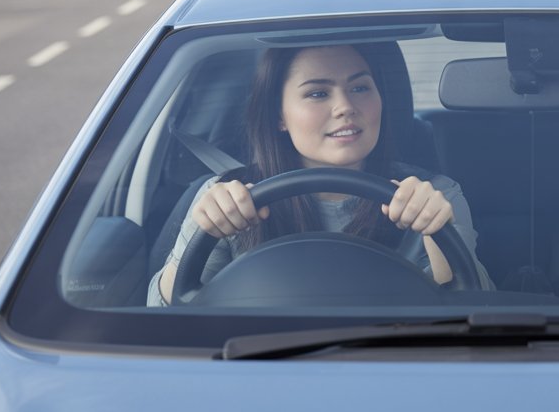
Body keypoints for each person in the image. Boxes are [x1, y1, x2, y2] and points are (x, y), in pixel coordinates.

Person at [149, 42, 492, 305]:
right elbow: (163, 314)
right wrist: (204, 227)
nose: (345, 107)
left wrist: (435, 232)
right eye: (317, 93)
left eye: (360, 88)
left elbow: (477, 309)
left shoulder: (433, 196)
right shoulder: (229, 195)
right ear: (279, 116)